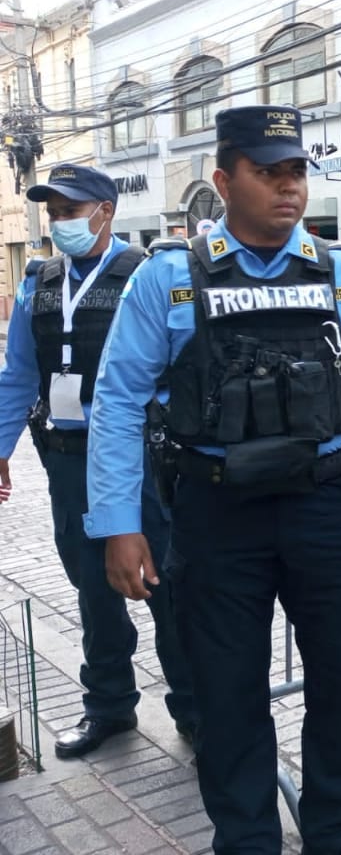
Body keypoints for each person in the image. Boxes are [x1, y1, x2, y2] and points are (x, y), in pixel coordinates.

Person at [85, 106, 341, 855]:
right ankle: (247, 838)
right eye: (268, 172)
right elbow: (119, 399)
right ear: (224, 180)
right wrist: (117, 523)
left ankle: (334, 834)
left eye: (296, 172)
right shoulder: (170, 278)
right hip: (218, 517)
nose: (288, 187)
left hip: (331, 506)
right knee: (227, 697)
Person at [0, 165, 196, 760]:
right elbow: (16, 375)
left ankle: (194, 710)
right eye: (53, 211)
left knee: (164, 583)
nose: (60, 221)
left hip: (140, 459)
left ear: (105, 211)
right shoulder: (38, 280)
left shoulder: (149, 276)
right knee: (92, 588)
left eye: (70, 210)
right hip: (66, 460)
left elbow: (183, 367)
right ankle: (109, 705)